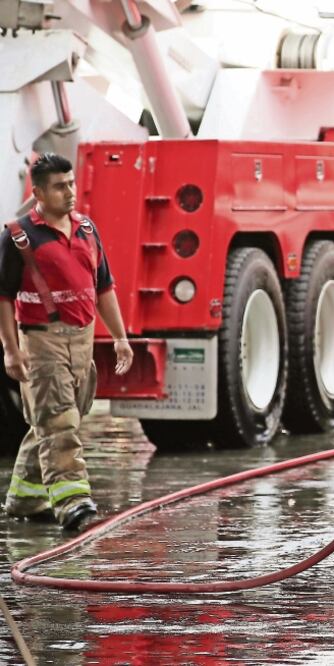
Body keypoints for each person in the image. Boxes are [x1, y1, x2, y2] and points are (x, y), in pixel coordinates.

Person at [0, 153, 133, 531]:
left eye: (71, 183)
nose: (69, 192)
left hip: (82, 341)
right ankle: (73, 502)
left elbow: (103, 287)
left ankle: (26, 496)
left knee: (51, 420)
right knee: (60, 421)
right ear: (38, 192)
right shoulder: (18, 237)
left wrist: (121, 338)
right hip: (42, 342)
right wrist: (11, 349)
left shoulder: (87, 229)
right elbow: (3, 298)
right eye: (59, 186)